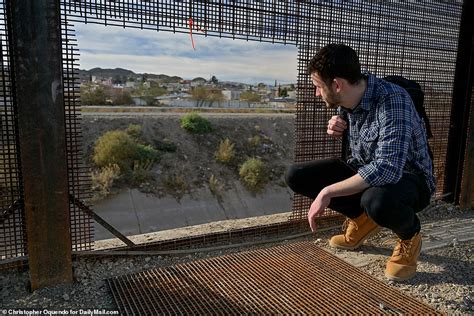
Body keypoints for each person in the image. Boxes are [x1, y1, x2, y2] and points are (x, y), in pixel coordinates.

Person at [285, 43, 435, 281]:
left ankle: (410, 236)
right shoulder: (351, 96)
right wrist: (336, 124)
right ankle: (362, 220)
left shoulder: (392, 101)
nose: (316, 93)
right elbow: (358, 144)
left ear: (337, 84)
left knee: (376, 200)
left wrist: (327, 191)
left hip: (410, 179)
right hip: (366, 168)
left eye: (317, 86)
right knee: (296, 175)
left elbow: (387, 169)